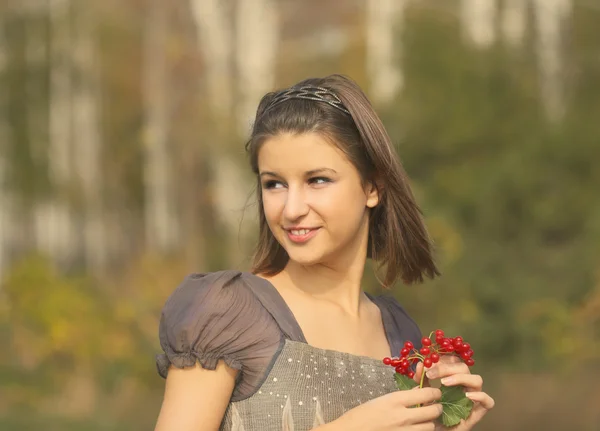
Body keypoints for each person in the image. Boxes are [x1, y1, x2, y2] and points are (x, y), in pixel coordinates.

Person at [154, 75, 494, 431]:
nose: (291, 209)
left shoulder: (400, 335)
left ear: (373, 187)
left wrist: (443, 426)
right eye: (275, 184)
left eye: (317, 180)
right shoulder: (227, 314)